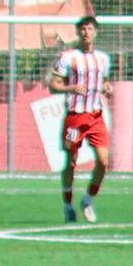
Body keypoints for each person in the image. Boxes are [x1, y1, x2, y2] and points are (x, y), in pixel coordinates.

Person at [48, 14, 112, 222]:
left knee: (104, 161)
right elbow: (53, 85)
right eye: (82, 29)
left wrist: (107, 88)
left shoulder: (103, 58)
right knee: (72, 160)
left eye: (90, 29)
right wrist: (71, 87)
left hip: (96, 117)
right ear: (78, 33)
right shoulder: (68, 57)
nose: (86, 33)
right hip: (75, 117)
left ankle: (88, 200)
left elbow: (103, 82)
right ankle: (67, 204)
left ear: (96, 32)